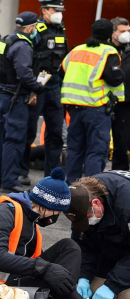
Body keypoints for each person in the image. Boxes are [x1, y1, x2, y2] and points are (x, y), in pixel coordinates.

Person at [0, 167, 130, 299]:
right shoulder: (3, 213)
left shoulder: (31, 217)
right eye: (56, 212)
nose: (55, 217)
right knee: (50, 269)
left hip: (13, 278)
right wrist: (44, 267)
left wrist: (83, 277)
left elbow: (33, 259)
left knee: (69, 246)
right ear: (47, 205)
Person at [60, 19, 125, 183]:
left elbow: (61, 71)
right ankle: (91, 189)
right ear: (110, 35)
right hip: (96, 108)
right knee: (96, 151)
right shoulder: (108, 52)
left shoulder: (77, 50)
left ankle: (72, 189)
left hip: (74, 108)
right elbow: (114, 78)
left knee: (75, 149)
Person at [0, 12, 44, 192]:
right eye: (34, 27)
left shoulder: (3, 40)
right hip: (15, 96)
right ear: (30, 28)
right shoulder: (23, 46)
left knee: (0, 135)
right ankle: (9, 181)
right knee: (15, 139)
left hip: (2, 93)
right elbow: (24, 73)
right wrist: (38, 87)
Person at [20, 0, 68, 186]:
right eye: (55, 10)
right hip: (37, 88)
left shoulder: (60, 29)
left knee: (55, 132)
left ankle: (52, 175)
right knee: (29, 131)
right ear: (45, 11)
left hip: (55, 87)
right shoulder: (36, 31)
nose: (59, 14)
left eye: (60, 11)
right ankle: (21, 171)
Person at [66, 172, 130, 299]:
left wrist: (112, 286)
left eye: (87, 217)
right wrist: (83, 276)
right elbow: (82, 242)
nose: (86, 222)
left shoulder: (126, 206)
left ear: (96, 203)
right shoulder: (80, 200)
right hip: (115, 241)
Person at [111, 17, 130, 170]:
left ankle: (120, 171)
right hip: (105, 100)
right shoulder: (106, 49)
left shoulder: (128, 50)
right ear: (113, 33)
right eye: (123, 31)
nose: (126, 34)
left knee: (122, 140)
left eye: (128, 31)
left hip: (125, 102)